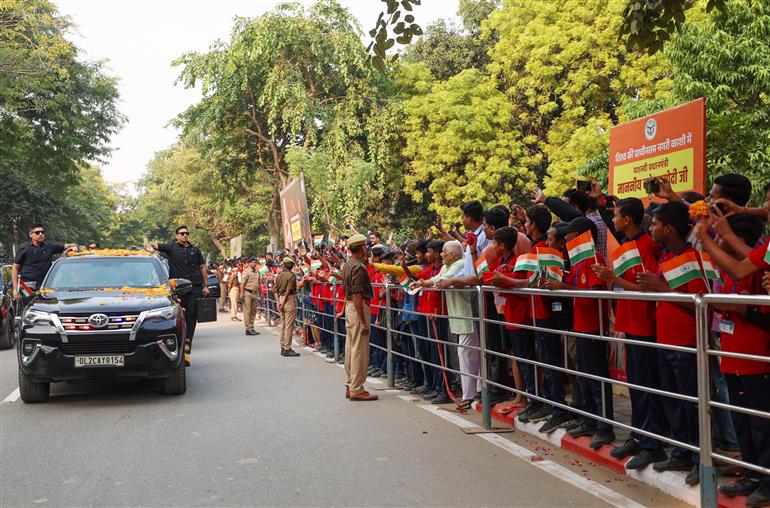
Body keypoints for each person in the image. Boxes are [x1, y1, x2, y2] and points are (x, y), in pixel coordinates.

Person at [637, 202, 708, 485]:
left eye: (654, 224)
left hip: (686, 342)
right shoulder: (664, 257)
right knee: (672, 400)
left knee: (691, 402)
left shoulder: (691, 257)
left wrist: (662, 288)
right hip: (663, 340)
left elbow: (700, 303)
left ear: (668, 228)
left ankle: (697, 456)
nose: (650, 228)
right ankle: (680, 450)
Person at [593, 198, 666, 469]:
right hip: (630, 321)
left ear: (628, 220)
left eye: (616, 216)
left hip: (644, 324)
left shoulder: (646, 245)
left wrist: (613, 279)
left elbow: (646, 287)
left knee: (645, 385)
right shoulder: (627, 244)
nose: (613, 220)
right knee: (637, 384)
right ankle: (638, 434)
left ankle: (651, 443)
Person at [545, 217, 615, 450]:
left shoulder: (595, 260)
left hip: (594, 328)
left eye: (570, 236)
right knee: (585, 375)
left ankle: (604, 426)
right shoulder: (577, 262)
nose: (565, 241)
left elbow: (592, 293)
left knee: (596, 377)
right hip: (580, 326)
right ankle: (589, 418)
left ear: (583, 236)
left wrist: (562, 288)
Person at [412, 240, 479, 408]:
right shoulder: (446, 266)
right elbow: (436, 279)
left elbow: (443, 280)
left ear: (452, 254)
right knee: (465, 354)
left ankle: (470, 394)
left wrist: (428, 282)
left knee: (468, 354)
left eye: (443, 252)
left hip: (466, 315)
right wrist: (421, 283)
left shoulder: (460, 264)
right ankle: (471, 392)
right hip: (456, 316)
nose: (440, 255)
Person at [147, 226, 209, 366]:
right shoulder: (171, 248)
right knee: (179, 317)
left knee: (192, 316)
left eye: (187, 233)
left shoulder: (195, 250)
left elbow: (202, 268)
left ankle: (187, 346)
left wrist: (206, 286)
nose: (185, 235)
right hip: (178, 288)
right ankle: (178, 344)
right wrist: (150, 249)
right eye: (182, 233)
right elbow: (151, 244)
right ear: (177, 236)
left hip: (195, 286)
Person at [341, 234, 378, 401]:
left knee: (350, 348)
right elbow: (357, 295)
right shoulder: (359, 268)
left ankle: (350, 384)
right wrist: (363, 321)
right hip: (358, 308)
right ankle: (357, 389)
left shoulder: (348, 265)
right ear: (362, 248)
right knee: (359, 350)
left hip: (350, 307)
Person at [12, 224, 78, 297]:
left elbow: (71, 245)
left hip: (44, 286)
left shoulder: (49, 246)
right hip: (26, 285)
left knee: (44, 306)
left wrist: (74, 247)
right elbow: (15, 268)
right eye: (37, 232)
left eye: (42, 232)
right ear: (31, 234)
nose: (41, 234)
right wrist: (15, 289)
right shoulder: (24, 247)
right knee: (25, 305)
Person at [275, 257, 300, 357]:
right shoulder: (291, 276)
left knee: (283, 325)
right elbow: (289, 290)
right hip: (288, 299)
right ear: (292, 265)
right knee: (289, 325)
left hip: (281, 298)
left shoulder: (279, 275)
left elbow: (275, 289)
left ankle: (282, 346)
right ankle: (287, 347)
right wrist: (283, 302)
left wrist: (279, 302)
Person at [240, 257, 262, 336]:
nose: (254, 263)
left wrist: (261, 294)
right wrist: (241, 294)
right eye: (253, 262)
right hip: (247, 293)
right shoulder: (246, 272)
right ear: (249, 263)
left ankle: (252, 327)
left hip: (255, 293)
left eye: (255, 262)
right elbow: (242, 284)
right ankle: (248, 329)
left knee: (253, 311)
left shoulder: (257, 272)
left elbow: (259, 284)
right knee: (247, 311)